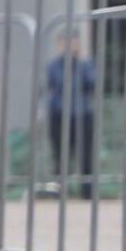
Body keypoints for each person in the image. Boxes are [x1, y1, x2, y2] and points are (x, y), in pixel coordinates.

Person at [42, 30, 96, 192]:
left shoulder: (84, 64)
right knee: (60, 154)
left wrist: (81, 61)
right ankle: (60, 190)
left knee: (86, 155)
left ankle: (87, 192)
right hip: (59, 113)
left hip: (82, 113)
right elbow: (47, 86)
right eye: (64, 43)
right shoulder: (53, 66)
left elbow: (93, 83)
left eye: (71, 42)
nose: (68, 46)